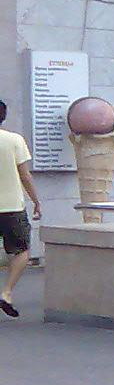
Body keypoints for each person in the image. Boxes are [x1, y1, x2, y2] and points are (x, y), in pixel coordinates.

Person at [0, 98, 44, 318]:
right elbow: (25, 175)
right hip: (11, 207)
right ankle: (6, 292)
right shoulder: (14, 140)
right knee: (21, 251)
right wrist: (36, 201)